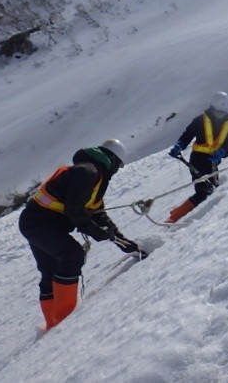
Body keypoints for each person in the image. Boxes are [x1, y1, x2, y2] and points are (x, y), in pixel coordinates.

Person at [19, 139, 145, 330]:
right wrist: (96, 232)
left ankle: (53, 324)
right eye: (118, 165)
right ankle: (64, 323)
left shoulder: (91, 172)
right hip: (40, 224)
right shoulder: (88, 173)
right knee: (72, 255)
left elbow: (97, 213)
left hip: (36, 222)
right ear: (113, 161)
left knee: (50, 270)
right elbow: (75, 209)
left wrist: (120, 240)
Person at [165, 92, 228, 223]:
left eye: (223, 112)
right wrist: (178, 147)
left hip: (213, 161)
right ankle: (173, 218)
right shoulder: (200, 120)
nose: (221, 115)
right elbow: (187, 136)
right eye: (218, 112)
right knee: (204, 192)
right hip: (197, 160)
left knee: (212, 190)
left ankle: (178, 211)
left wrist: (222, 152)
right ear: (212, 108)